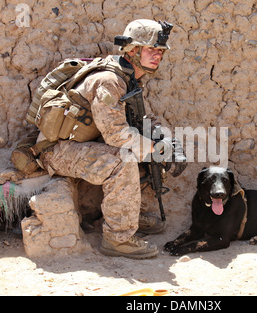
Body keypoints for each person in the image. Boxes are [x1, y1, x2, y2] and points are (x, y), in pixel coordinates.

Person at [37, 19, 186, 259]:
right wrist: (156, 148)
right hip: (58, 151)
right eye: (151, 50)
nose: (157, 56)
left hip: (82, 144)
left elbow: (139, 119)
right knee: (123, 160)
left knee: (145, 151)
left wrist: (167, 141)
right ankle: (118, 239)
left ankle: (129, 215)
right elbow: (116, 134)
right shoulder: (110, 80)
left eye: (160, 51)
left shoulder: (130, 77)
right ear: (132, 50)